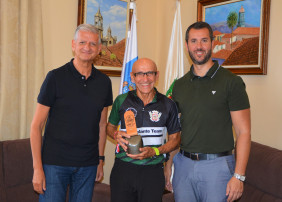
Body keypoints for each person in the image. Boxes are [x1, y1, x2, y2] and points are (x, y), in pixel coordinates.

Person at [166, 21, 251, 202]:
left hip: (217, 167)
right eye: (194, 41)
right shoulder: (179, 85)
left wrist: (239, 176)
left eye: (204, 40)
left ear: (212, 43)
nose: (199, 46)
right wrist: (169, 163)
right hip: (183, 165)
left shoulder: (231, 82)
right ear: (187, 45)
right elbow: (176, 130)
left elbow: (243, 132)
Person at [30, 24, 113, 202]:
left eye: (92, 44)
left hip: (88, 165)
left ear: (99, 49)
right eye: (82, 42)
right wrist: (38, 169)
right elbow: (36, 126)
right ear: (73, 45)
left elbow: (101, 125)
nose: (87, 47)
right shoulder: (55, 78)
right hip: (54, 164)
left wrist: (100, 159)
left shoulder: (104, 82)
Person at [106, 58, 181, 202]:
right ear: (132, 77)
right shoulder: (121, 100)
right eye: (139, 74)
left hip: (153, 171)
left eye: (149, 73)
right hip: (123, 169)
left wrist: (155, 151)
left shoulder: (168, 104)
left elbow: (175, 139)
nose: (145, 79)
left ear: (156, 75)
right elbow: (109, 128)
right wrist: (115, 134)